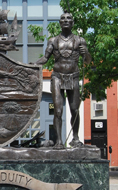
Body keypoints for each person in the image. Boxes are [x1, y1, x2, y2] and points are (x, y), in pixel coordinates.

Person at [35, 11, 91, 148]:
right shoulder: (53, 40)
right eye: (63, 18)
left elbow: (88, 61)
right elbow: (45, 58)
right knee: (58, 111)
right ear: (60, 23)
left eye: (69, 18)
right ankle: (59, 141)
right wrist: (32, 65)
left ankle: (75, 138)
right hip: (57, 77)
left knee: (75, 110)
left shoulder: (80, 40)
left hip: (73, 76)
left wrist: (86, 54)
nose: (66, 20)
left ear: (72, 22)